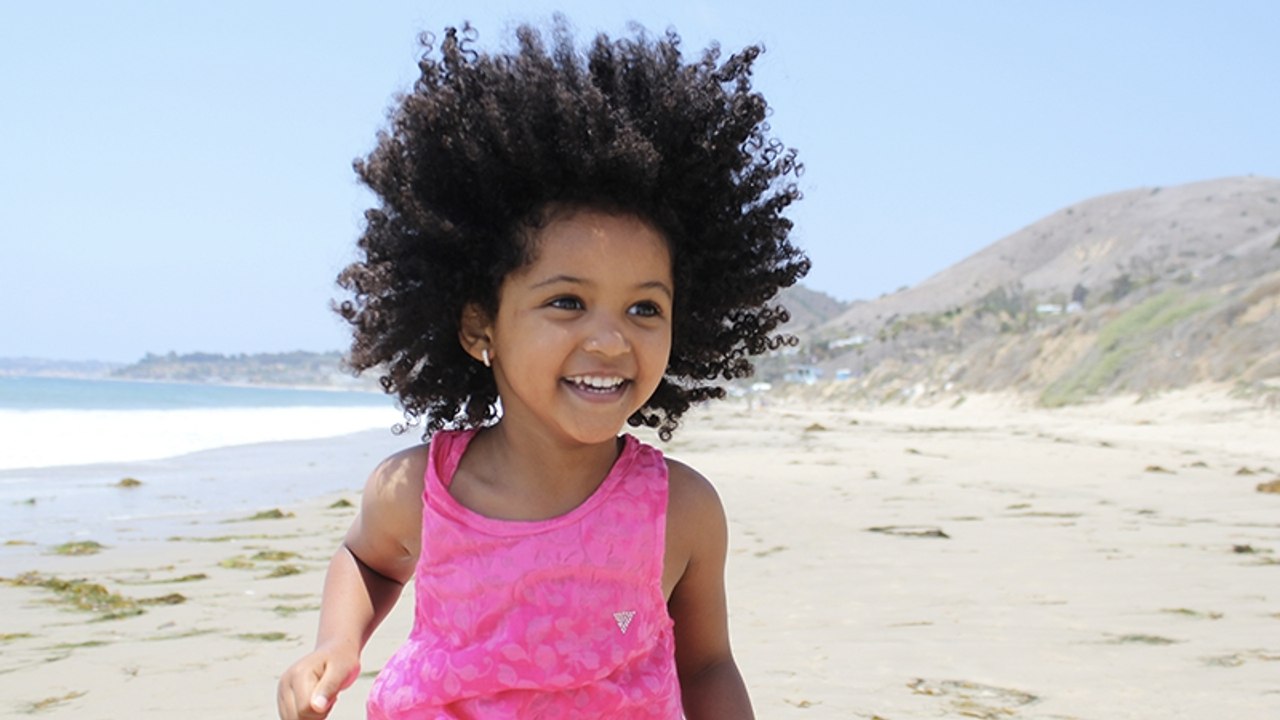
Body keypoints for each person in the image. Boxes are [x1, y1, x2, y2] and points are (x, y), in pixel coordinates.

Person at [277, 17, 808, 719]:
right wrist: (337, 643)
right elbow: (367, 560)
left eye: (644, 308)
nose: (611, 340)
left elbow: (708, 665)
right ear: (481, 326)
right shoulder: (417, 491)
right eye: (567, 302)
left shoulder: (682, 510)